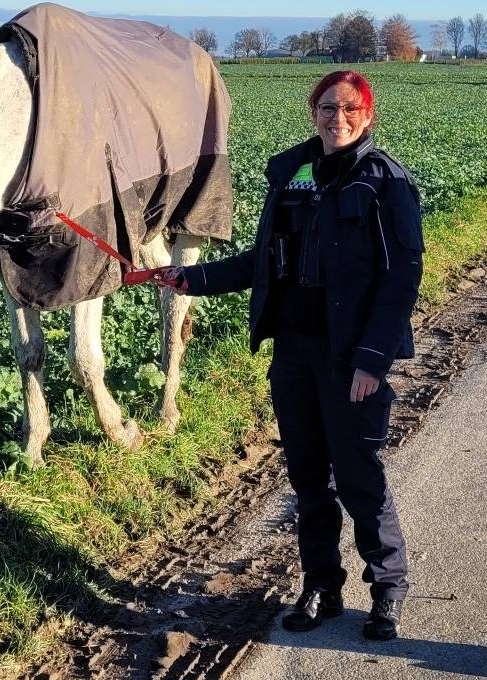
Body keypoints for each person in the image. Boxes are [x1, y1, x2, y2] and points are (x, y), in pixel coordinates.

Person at [150, 70, 424, 642]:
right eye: (327, 107)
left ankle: (387, 591)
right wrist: (189, 277)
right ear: (313, 112)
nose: (338, 117)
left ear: (367, 115)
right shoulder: (294, 174)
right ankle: (322, 586)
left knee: (357, 476)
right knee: (307, 478)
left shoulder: (385, 181)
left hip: (350, 357)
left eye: (350, 108)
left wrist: (371, 362)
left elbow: (401, 280)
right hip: (294, 353)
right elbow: (262, 262)